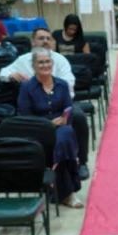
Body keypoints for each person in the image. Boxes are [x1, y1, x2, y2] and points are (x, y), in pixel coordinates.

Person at [0, 25, 90, 179]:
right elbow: (3, 72)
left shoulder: (59, 59)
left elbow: (69, 84)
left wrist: (59, 107)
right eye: (41, 38)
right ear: (33, 41)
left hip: (60, 103)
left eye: (48, 38)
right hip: (35, 107)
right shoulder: (23, 60)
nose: (45, 41)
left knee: (79, 117)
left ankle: (81, 162)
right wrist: (11, 75)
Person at [17, 48, 83, 208]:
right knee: (63, 141)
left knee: (65, 135)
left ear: (52, 63)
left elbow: (69, 110)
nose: (45, 65)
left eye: (47, 61)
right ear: (33, 65)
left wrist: (64, 119)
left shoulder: (62, 84)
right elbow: (25, 117)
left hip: (62, 129)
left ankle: (62, 187)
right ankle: (69, 191)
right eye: (40, 62)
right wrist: (48, 124)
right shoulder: (27, 87)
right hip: (38, 132)